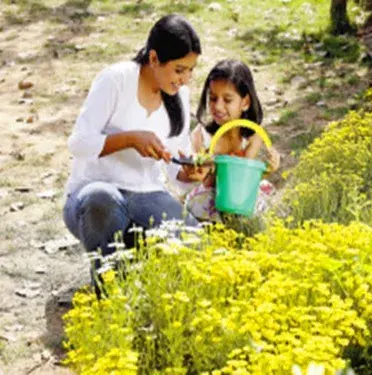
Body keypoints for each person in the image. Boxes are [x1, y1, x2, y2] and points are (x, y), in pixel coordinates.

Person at [63, 14, 202, 286]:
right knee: (100, 198)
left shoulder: (179, 97)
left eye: (190, 70)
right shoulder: (116, 80)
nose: (185, 79)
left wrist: (189, 172)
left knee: (197, 248)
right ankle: (109, 288)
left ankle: (137, 270)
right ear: (153, 59)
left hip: (146, 196)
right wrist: (129, 139)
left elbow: (174, 167)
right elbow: (78, 143)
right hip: (94, 198)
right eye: (179, 69)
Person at [185, 59, 280, 222]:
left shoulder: (252, 137)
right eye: (213, 99)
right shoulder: (202, 136)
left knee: (263, 194)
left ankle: (245, 229)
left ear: (245, 102)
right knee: (203, 202)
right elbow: (203, 180)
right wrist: (207, 167)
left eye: (227, 100)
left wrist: (269, 169)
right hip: (212, 193)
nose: (218, 107)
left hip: (238, 193)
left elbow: (246, 177)